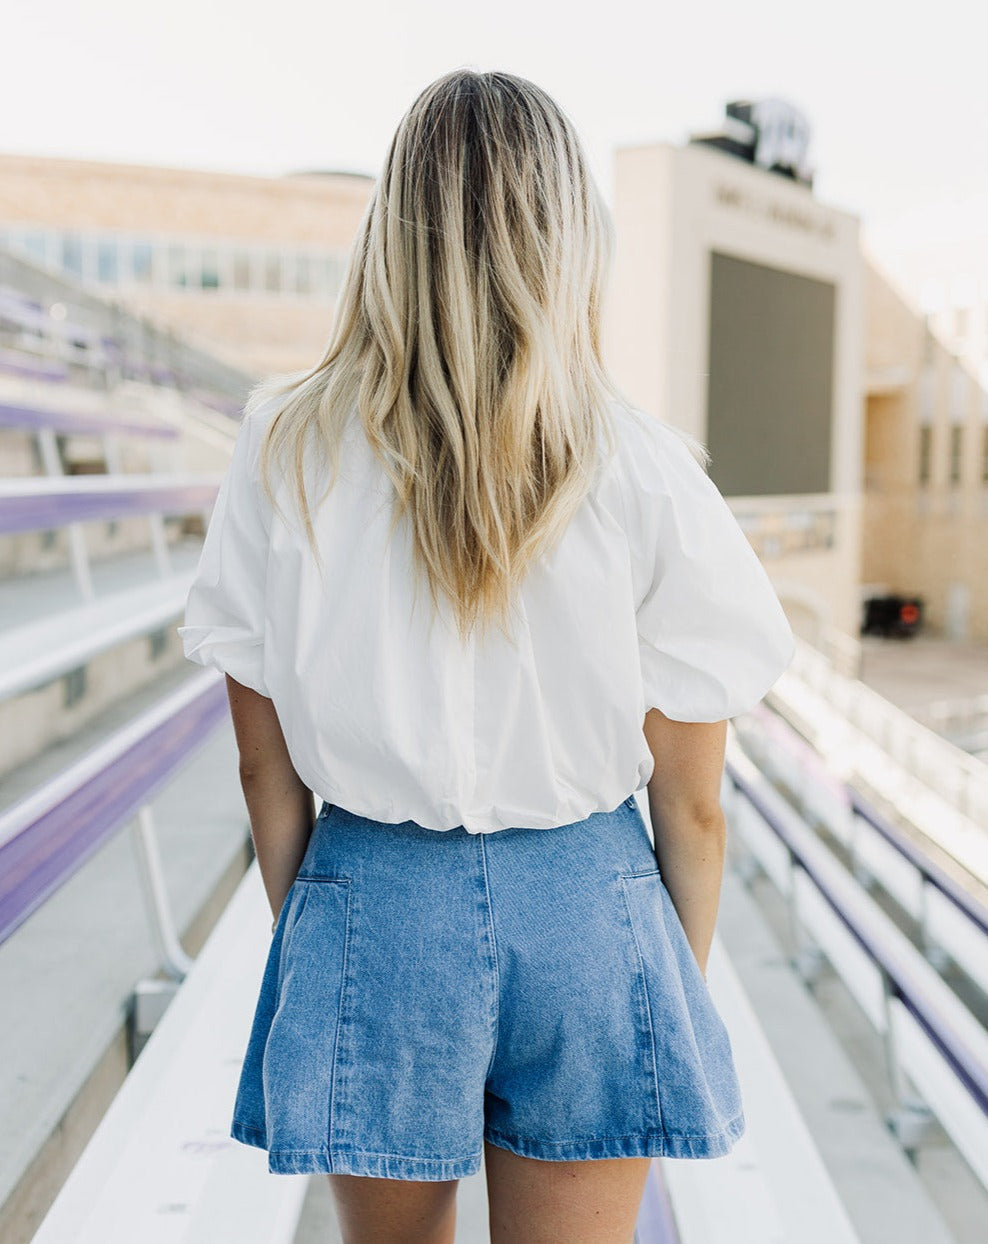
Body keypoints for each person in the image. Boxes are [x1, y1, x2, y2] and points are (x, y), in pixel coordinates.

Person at [178, 67, 794, 1244]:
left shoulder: (283, 447)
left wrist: (329, 929)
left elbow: (265, 769)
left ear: (388, 232)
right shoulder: (646, 464)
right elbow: (693, 803)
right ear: (567, 240)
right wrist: (662, 977)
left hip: (372, 892)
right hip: (591, 907)